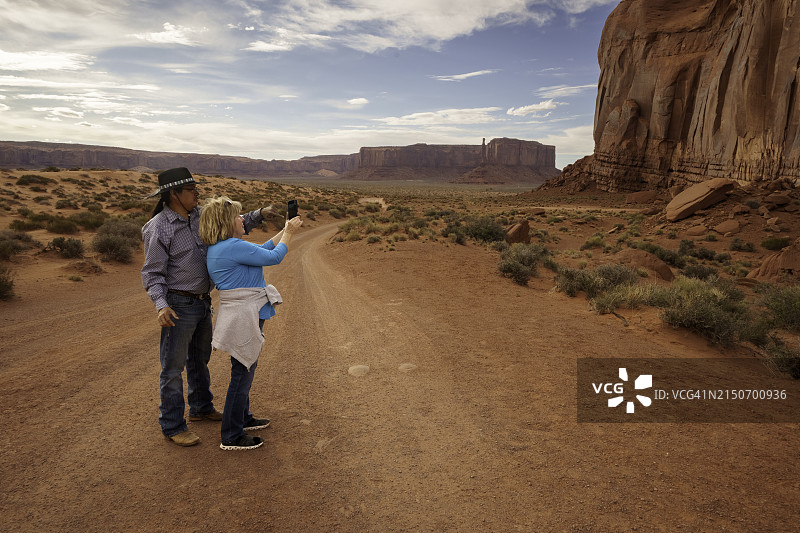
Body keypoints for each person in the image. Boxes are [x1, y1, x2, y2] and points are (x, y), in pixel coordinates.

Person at [141, 168, 278, 447]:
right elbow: (152, 273)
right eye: (191, 190)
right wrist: (161, 305)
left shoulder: (199, 216)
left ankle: (201, 407)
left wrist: (260, 213)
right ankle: (172, 425)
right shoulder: (158, 227)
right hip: (178, 303)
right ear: (173, 194)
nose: (197, 194)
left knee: (199, 360)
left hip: (203, 301)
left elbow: (229, 221)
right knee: (172, 367)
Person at [199, 196, 302, 450]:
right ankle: (231, 434)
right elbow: (274, 257)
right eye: (237, 216)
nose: (242, 219)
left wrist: (284, 229)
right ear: (226, 222)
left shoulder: (223, 246)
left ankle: (243, 418)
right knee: (242, 372)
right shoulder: (232, 246)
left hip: (240, 311)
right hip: (244, 313)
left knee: (244, 366)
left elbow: (264, 249)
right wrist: (289, 233)